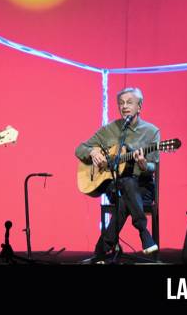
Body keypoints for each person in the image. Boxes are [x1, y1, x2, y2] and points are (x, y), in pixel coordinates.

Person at [75, 87, 160, 264]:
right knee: (126, 184)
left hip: (142, 187)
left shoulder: (152, 131)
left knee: (128, 187)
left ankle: (102, 250)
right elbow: (79, 148)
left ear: (140, 106)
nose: (124, 106)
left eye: (129, 102)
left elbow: (152, 165)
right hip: (114, 186)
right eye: (121, 103)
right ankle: (144, 235)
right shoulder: (111, 129)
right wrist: (92, 152)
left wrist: (144, 165)